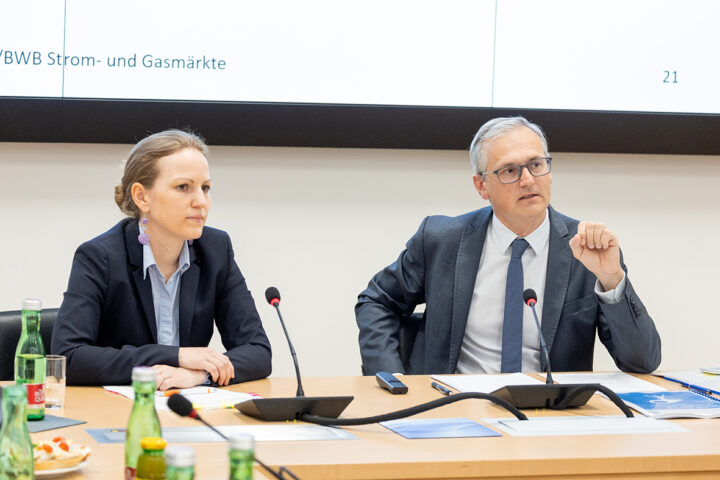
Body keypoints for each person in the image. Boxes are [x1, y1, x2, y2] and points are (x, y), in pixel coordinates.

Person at [356, 116, 661, 376]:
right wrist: (392, 379)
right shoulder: (441, 239)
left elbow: (642, 362)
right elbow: (377, 301)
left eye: (536, 165)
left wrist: (611, 279)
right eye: (510, 171)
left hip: (549, 413)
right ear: (482, 186)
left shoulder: (586, 249)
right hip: (454, 406)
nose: (528, 180)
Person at [51, 129, 272, 388]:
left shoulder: (216, 250)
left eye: (205, 188)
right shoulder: (100, 257)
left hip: (186, 406)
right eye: (183, 187)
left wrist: (200, 375)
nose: (200, 201)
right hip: (118, 407)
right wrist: (176, 356)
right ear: (141, 196)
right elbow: (69, 357)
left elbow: (257, 351)